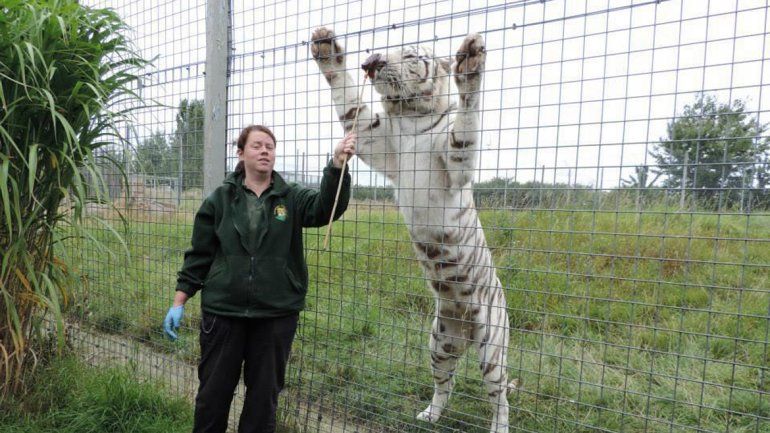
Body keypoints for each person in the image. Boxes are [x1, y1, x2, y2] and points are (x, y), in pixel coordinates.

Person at [163, 124, 356, 433]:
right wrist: (179, 301)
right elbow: (199, 254)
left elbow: (324, 210)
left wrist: (336, 167)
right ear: (241, 153)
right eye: (257, 145)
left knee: (263, 400)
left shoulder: (289, 197)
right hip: (224, 314)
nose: (265, 150)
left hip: (275, 315)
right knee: (213, 396)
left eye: (270, 146)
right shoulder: (220, 200)